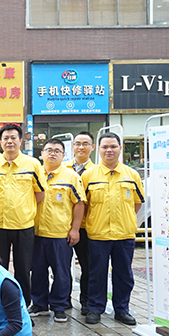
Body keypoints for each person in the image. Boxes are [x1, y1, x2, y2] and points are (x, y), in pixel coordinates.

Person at [82, 132, 144, 326]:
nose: (109, 150)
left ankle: (122, 309)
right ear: (99, 150)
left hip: (124, 234)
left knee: (124, 274)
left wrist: (125, 219)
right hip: (98, 234)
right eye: (105, 147)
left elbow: (137, 203)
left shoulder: (132, 175)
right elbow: (83, 205)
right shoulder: (88, 176)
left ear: (120, 148)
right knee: (96, 274)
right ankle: (95, 309)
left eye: (113, 146)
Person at [0, 124, 46, 306]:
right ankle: (0, 304)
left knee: (23, 268)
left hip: (24, 225)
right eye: (5, 138)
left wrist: (25, 209)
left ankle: (23, 305)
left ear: (20, 141)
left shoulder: (32, 164)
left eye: (13, 137)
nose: (10, 141)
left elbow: (40, 193)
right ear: (0, 142)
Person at [29, 139, 85, 323]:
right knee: (37, 272)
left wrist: (75, 229)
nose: (52, 153)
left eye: (57, 151)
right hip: (36, 233)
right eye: (49, 150)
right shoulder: (35, 174)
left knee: (61, 273)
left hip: (60, 234)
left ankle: (59, 306)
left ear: (63, 155)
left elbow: (79, 203)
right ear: (42, 154)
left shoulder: (71, 176)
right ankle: (39, 304)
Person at [64, 131, 96, 315]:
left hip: (86, 228)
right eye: (77, 143)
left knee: (88, 266)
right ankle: (63, 300)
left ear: (92, 147)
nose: (81, 147)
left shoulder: (96, 171)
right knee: (62, 266)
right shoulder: (63, 168)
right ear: (73, 146)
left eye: (85, 144)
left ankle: (86, 302)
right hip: (62, 226)